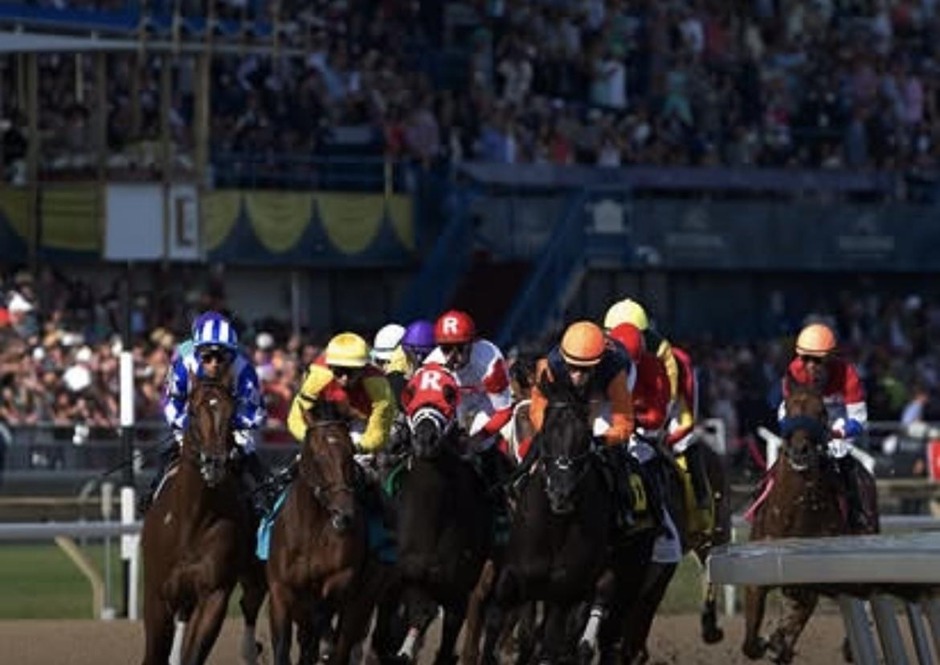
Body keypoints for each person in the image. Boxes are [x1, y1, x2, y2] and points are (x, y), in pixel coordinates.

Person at [139, 311, 269, 513]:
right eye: (207, 357)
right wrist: (188, 425)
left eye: (221, 356)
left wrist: (231, 425)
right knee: (169, 455)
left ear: (232, 354)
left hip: (231, 424)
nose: (214, 363)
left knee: (248, 450)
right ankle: (153, 493)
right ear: (197, 351)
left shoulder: (244, 369)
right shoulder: (183, 363)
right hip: (192, 420)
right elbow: (172, 401)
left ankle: (265, 498)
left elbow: (255, 409)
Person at [604, 297, 709, 508]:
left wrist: (640, 420)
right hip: (627, 408)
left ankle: (701, 498)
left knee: (682, 441)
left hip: (669, 402)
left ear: (643, 335)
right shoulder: (602, 349)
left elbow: (664, 400)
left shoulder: (661, 352)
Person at [528, 320, 637, 524]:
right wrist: (550, 432)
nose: (576, 376)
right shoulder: (549, 366)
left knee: (610, 447)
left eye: (584, 370)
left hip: (604, 394)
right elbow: (537, 408)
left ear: (598, 363)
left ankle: (624, 505)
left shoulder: (615, 372)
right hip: (573, 391)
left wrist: (602, 440)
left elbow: (624, 424)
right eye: (572, 367)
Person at [779, 322, 870, 530]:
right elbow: (787, 412)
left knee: (844, 463)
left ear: (830, 358)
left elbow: (859, 420)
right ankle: (763, 504)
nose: (810, 365)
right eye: (805, 358)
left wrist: (836, 433)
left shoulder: (848, 375)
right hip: (804, 422)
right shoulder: (794, 371)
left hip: (838, 424)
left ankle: (858, 514)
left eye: (817, 360)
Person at [422, 310, 514, 505]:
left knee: (482, 444)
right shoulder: (431, 364)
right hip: (455, 404)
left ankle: (499, 496)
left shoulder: (490, 359)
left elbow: (504, 411)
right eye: (446, 349)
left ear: (473, 344)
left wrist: (477, 438)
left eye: (460, 348)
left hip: (485, 401)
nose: (453, 356)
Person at [287, 331, 397, 464]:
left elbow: (379, 431)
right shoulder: (318, 377)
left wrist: (360, 447)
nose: (344, 379)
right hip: (326, 422)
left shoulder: (378, 385)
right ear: (330, 367)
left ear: (364, 369)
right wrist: (312, 439)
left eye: (351, 372)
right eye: (339, 371)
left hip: (362, 423)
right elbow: (296, 418)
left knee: (361, 463)